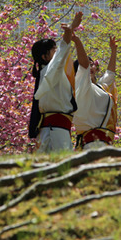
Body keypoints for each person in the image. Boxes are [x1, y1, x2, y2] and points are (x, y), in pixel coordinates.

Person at [29, 12, 83, 153]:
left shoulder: (50, 73)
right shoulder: (51, 71)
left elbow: (61, 55)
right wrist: (70, 30)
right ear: (45, 57)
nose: (56, 51)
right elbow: (62, 52)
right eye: (53, 49)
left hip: (55, 130)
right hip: (55, 132)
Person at [72, 33, 118, 150]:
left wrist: (113, 51)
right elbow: (84, 66)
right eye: (88, 65)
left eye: (92, 64)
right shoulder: (81, 88)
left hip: (105, 142)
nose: (90, 67)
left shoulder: (100, 88)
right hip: (91, 142)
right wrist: (77, 41)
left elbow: (110, 75)